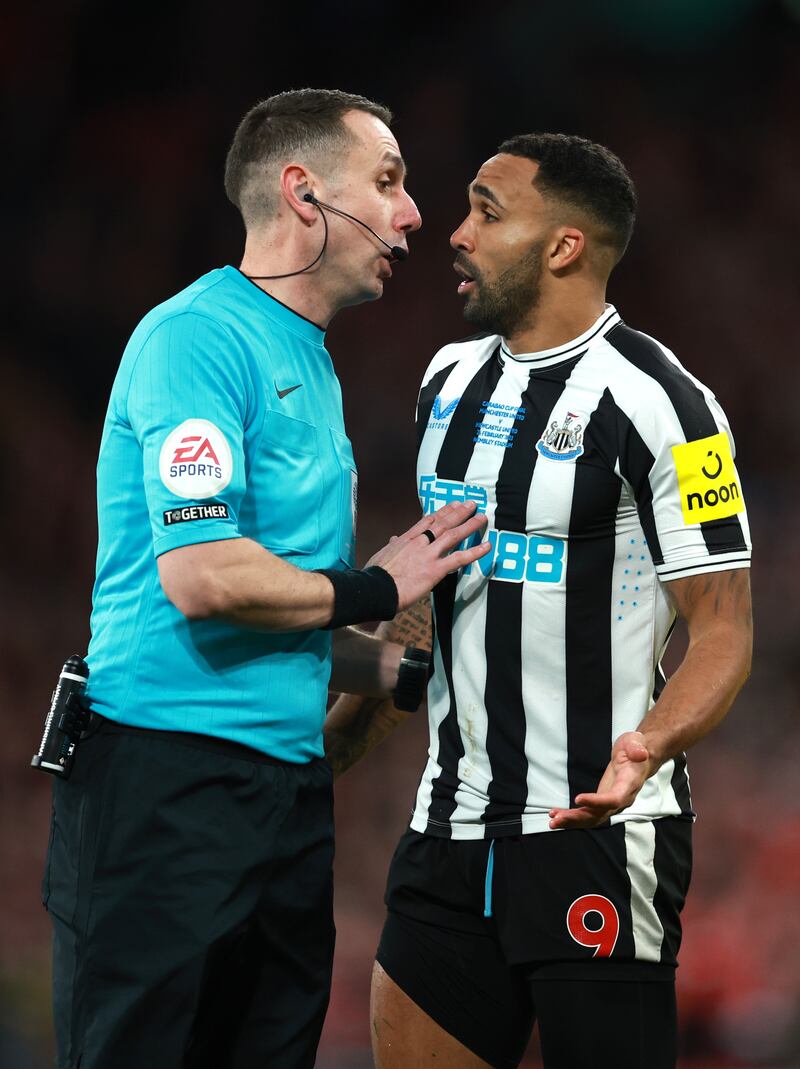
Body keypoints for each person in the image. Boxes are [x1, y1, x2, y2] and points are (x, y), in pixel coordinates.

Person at [41, 88, 490, 1069]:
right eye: (385, 182)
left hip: (282, 800)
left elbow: (279, 626)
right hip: (165, 787)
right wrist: (380, 587)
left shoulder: (311, 365)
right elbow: (202, 577)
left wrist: (415, 673)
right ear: (301, 194)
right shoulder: (195, 338)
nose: (411, 213)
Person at [324, 132, 753, 1069]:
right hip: (447, 831)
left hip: (595, 834)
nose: (455, 232)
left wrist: (649, 744)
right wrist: (323, 757)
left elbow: (723, 634)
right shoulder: (447, 382)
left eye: (487, 210)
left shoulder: (667, 406)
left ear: (564, 246)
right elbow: (431, 603)